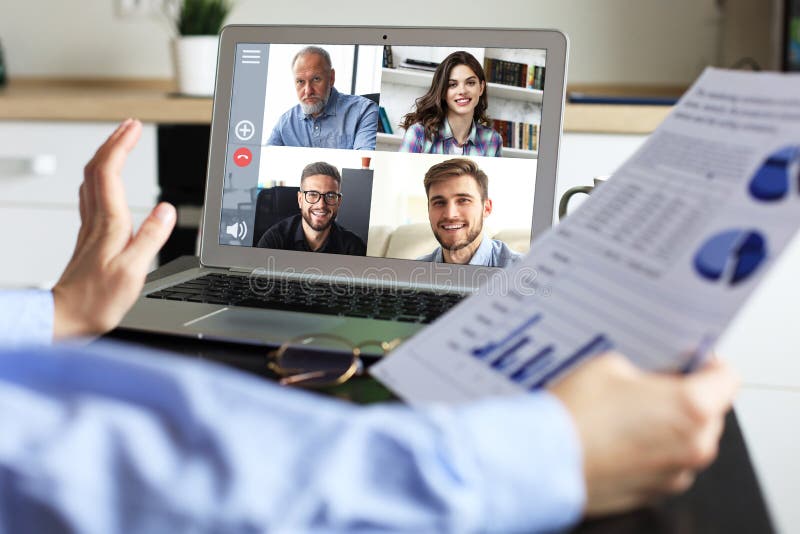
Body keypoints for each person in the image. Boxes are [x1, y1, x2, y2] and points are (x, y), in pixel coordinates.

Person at [0, 120, 738, 532]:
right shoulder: (288, 230)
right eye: (439, 204)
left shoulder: (492, 263)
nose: (451, 216)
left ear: (484, 210)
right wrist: (547, 456)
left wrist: (55, 312)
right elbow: (116, 484)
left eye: (464, 203)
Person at [266, 46, 379, 150]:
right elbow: (264, 162)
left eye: (316, 79)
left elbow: (364, 164)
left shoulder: (364, 111)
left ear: (331, 78)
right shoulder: (285, 123)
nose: (308, 91)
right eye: (300, 81)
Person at [418, 158, 520, 267]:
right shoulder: (412, 271)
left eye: (463, 200)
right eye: (439, 202)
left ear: (486, 208)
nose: (450, 214)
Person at [399, 51, 504, 157]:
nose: (462, 91)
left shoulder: (493, 140)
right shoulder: (418, 134)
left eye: (470, 83)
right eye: (453, 84)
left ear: (481, 88)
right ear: (443, 91)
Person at [255, 161, 366, 255]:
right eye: (313, 194)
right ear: (300, 200)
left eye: (330, 196)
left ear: (339, 202)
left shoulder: (353, 247)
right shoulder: (274, 240)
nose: (321, 205)